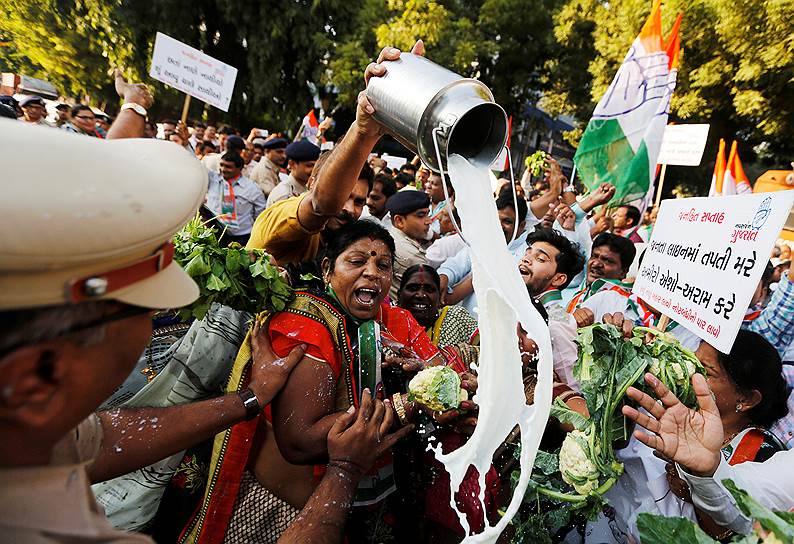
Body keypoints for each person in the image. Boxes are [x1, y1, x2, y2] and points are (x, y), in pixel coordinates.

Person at [184, 220, 463, 542]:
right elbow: (301, 440)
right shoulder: (305, 324)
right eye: (358, 261)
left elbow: (444, 372)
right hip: (287, 512)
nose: (373, 272)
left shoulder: (396, 319)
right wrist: (409, 403)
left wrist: (433, 379)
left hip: (376, 504)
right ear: (328, 269)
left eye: (383, 265)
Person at [245, 41, 426, 266]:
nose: (349, 209)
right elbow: (321, 206)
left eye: (359, 201)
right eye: (344, 196)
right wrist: (364, 131)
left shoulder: (346, 249)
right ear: (312, 182)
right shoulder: (278, 218)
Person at [622, 331, 794, 537]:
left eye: (706, 372)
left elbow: (740, 520)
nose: (690, 373)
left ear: (747, 398)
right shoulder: (679, 413)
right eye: (690, 361)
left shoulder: (761, 451)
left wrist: (695, 486)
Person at [438, 187, 529, 318]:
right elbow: (455, 265)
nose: (499, 226)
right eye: (496, 220)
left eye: (507, 221)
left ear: (521, 225)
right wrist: (444, 276)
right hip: (464, 326)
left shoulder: (527, 253)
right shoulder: (483, 242)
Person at [518, 228, 584, 387]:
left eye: (540, 258)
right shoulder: (521, 302)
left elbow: (571, 385)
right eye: (527, 253)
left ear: (558, 278)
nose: (526, 260)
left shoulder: (557, 321)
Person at [397, 264, 478, 348]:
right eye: (413, 288)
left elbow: (488, 347)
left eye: (429, 289)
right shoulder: (387, 322)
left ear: (439, 296)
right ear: (399, 295)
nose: (421, 295)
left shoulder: (456, 317)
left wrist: (462, 353)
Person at [565, 232, 636, 314]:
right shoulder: (582, 292)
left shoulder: (622, 303)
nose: (595, 264)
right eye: (594, 256)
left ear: (623, 272)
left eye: (608, 261)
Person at [205, 152, 267, 246]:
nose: (223, 169)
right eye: (221, 165)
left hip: (241, 237)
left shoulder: (252, 188)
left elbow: (260, 214)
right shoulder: (212, 179)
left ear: (240, 169)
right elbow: (194, 165)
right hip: (213, 233)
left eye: (228, 167)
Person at [386, 190, 432, 300]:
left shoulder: (391, 236)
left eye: (427, 214)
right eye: (421, 215)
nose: (428, 221)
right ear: (399, 221)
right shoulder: (412, 255)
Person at [267, 140, 321, 207]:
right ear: (292, 164)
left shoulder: (306, 188)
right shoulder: (284, 194)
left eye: (316, 166)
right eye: (309, 165)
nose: (313, 170)